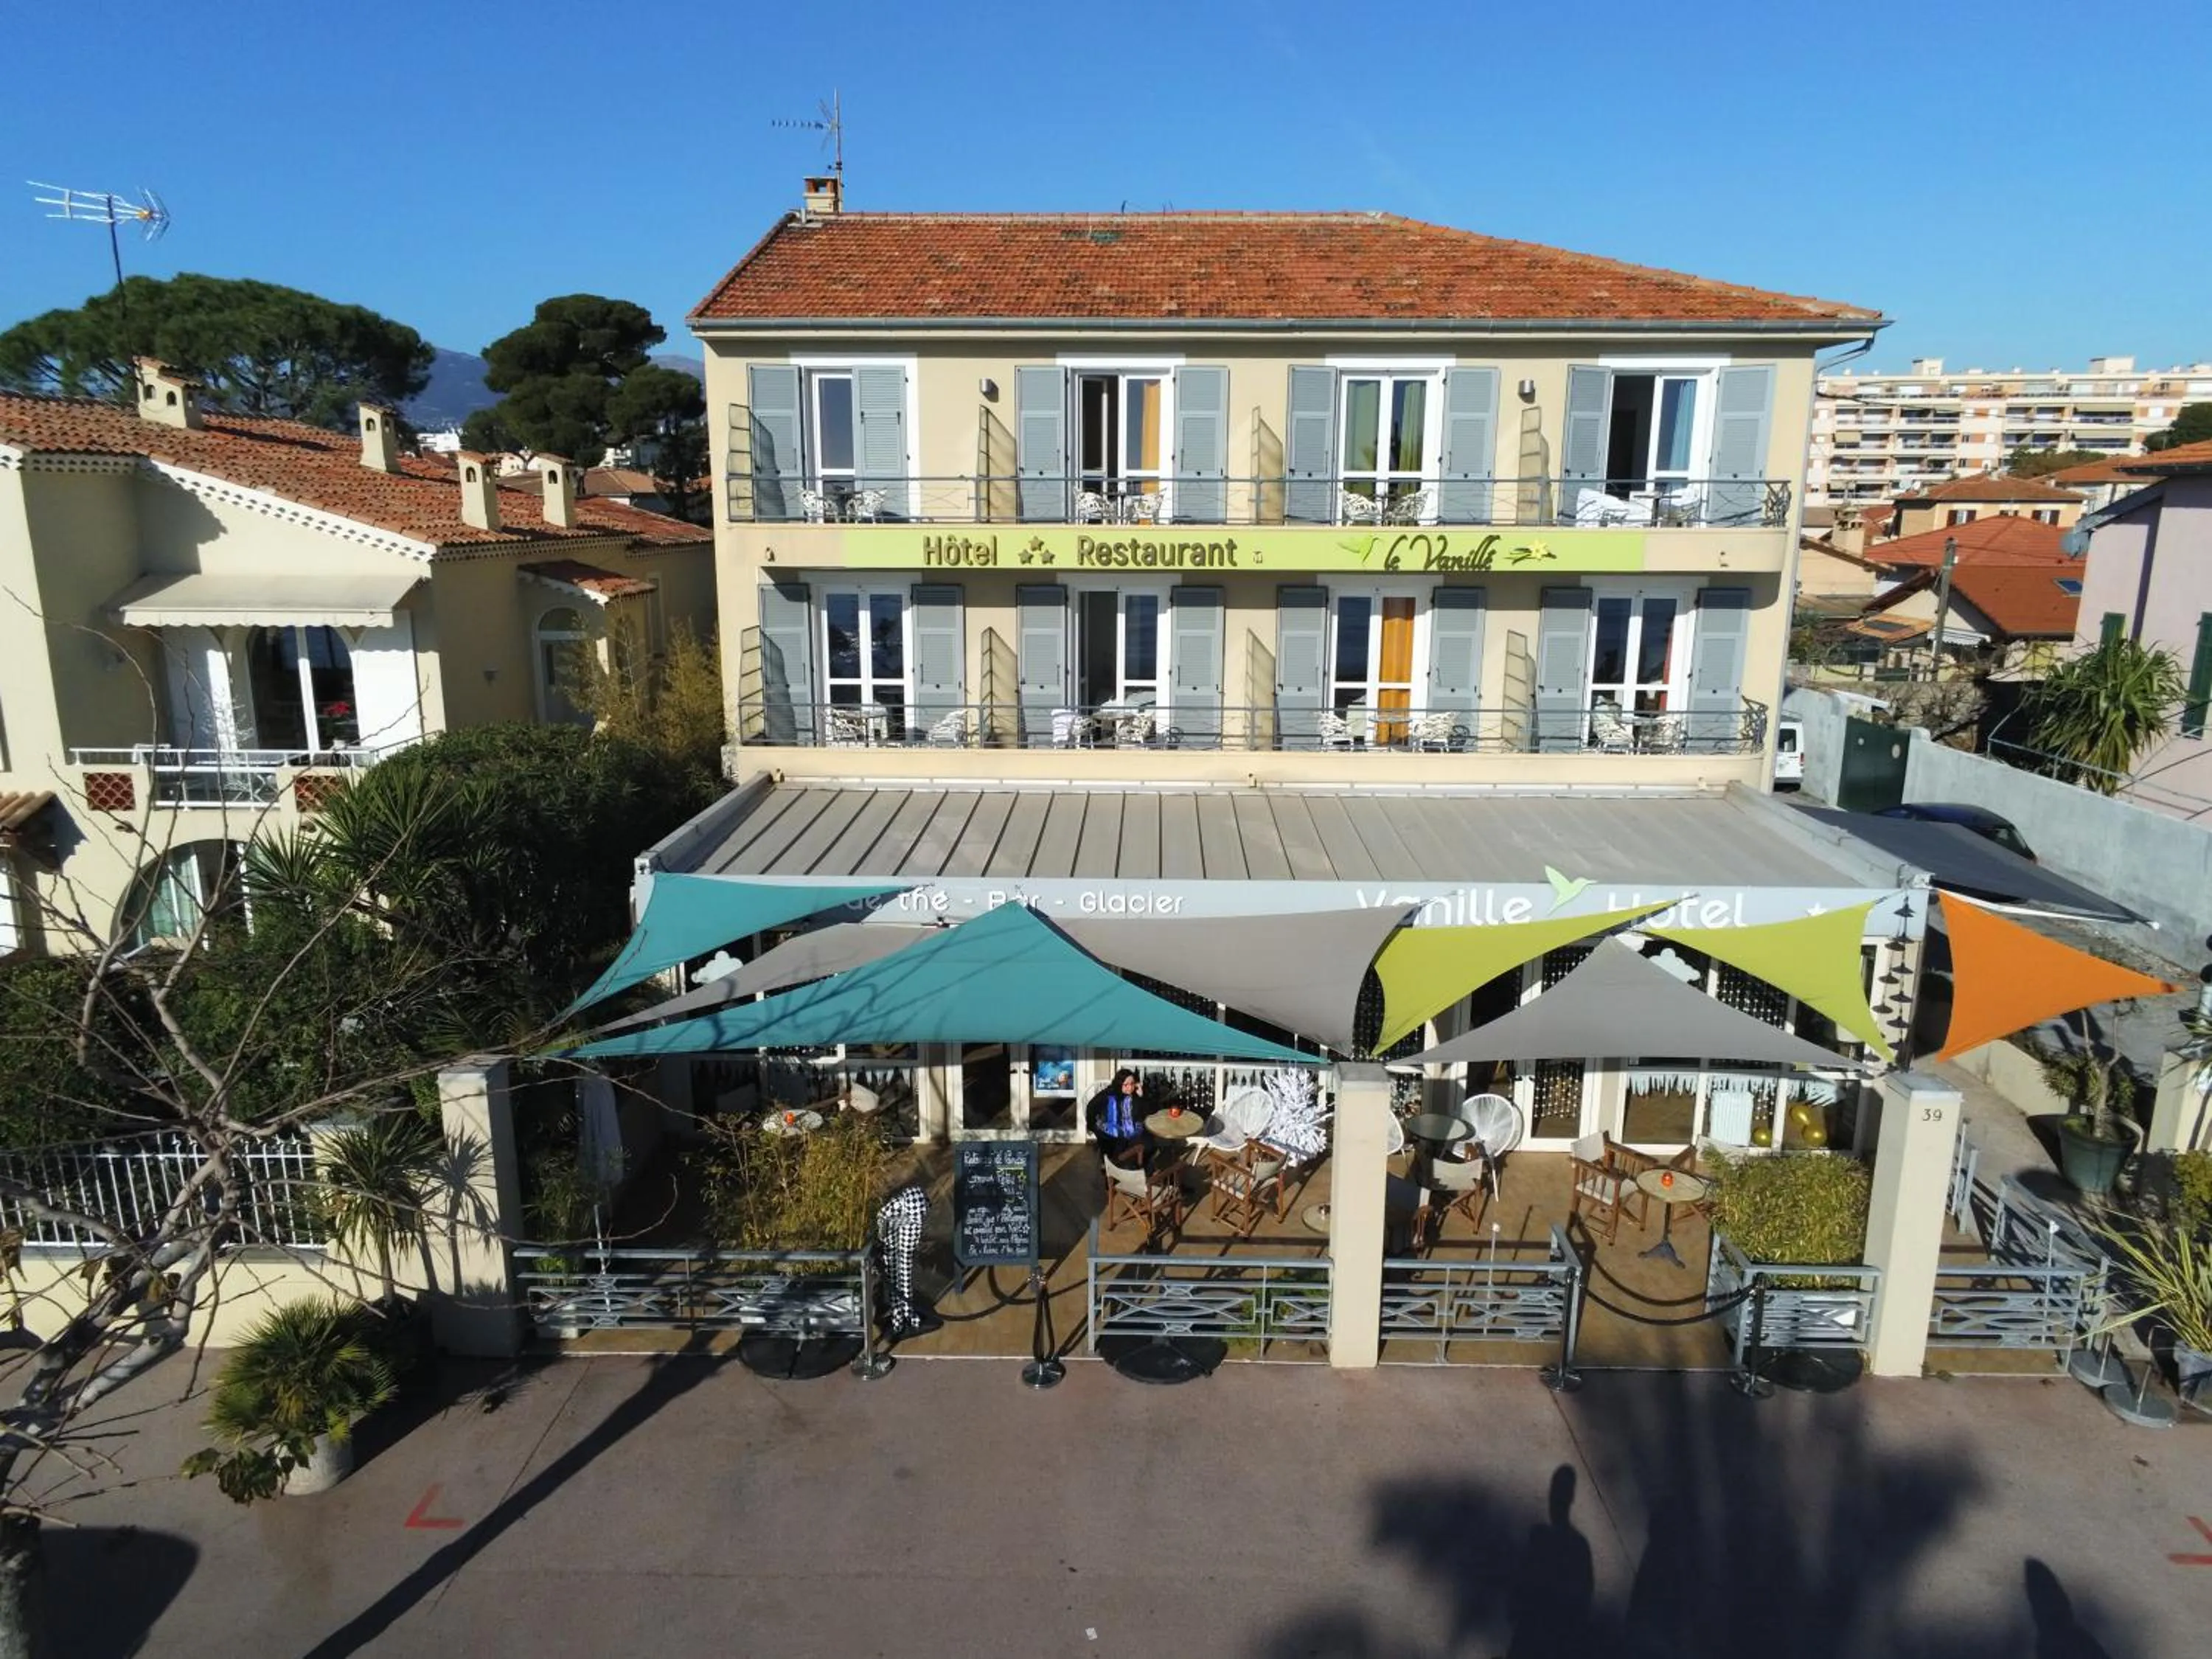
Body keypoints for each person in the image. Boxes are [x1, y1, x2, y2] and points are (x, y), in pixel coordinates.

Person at [1086, 1068, 1147, 1168]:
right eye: (1126, 1084)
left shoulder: (1135, 1096)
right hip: (1109, 1126)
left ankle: (1127, 1162)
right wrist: (1091, 1125)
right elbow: (1091, 1107)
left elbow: (1142, 1113)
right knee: (1119, 1140)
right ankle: (1112, 1164)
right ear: (1119, 1084)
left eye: (1132, 1084)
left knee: (1145, 1140)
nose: (1130, 1087)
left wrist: (1141, 1096)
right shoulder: (1108, 1094)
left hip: (1126, 1126)